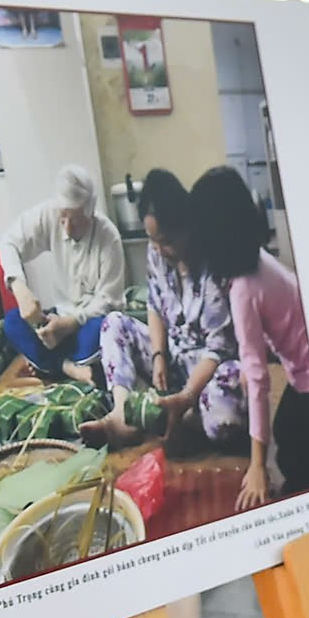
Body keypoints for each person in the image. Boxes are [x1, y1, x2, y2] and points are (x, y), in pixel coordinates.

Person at [186, 165, 309, 509]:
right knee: (287, 434)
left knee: (293, 450)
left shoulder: (242, 290)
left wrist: (256, 466)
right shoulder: (258, 258)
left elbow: (259, 380)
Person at [83, 169, 247, 450]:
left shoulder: (214, 265)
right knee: (114, 323)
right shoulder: (156, 254)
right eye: (153, 240)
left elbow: (219, 348)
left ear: (188, 227)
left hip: (207, 372)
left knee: (230, 399)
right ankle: (122, 416)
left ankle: (179, 417)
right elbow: (155, 306)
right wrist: (158, 355)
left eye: (167, 241)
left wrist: (187, 395)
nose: (159, 249)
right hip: (173, 358)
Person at [0, 164, 126, 384]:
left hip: (88, 321)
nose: (66, 228)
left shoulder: (108, 237)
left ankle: (52, 364)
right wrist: (19, 287)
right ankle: (70, 368)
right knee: (12, 323)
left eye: (75, 221)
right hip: (58, 317)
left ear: (90, 211)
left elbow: (108, 300)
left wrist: (71, 323)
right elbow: (8, 242)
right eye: (62, 218)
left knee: (105, 332)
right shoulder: (49, 214)